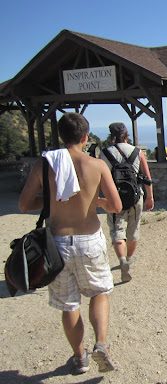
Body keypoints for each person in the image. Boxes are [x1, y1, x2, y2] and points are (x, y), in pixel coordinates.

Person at [18, 112, 123, 374]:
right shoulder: (97, 165)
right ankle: (101, 343)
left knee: (69, 304)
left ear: (60, 136)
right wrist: (95, 201)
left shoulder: (44, 165)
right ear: (85, 137)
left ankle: (80, 358)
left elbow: (24, 205)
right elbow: (116, 206)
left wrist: (51, 199)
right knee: (99, 293)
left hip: (57, 243)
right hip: (90, 240)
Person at [100, 122, 154, 283]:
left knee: (117, 230)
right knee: (133, 229)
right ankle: (129, 258)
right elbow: (147, 178)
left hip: (114, 198)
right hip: (136, 196)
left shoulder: (104, 154)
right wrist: (150, 197)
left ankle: (122, 259)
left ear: (112, 137)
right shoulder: (137, 152)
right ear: (127, 135)